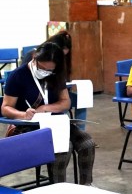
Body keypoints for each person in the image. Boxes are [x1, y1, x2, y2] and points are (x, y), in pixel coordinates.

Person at [1, 42, 96, 185]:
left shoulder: (57, 75)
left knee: (87, 144)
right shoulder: (18, 76)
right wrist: (22, 115)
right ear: (34, 58)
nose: (45, 72)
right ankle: (58, 188)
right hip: (30, 126)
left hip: (56, 123)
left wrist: (46, 107)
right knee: (64, 147)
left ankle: (86, 185)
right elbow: (5, 107)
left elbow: (65, 102)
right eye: (41, 67)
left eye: (49, 70)